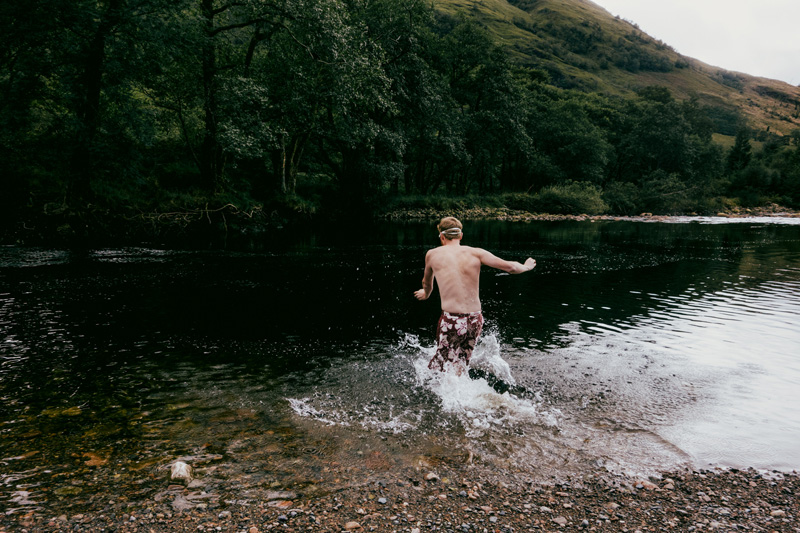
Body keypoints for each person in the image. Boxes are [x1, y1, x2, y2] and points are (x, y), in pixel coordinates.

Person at [414, 217, 536, 373]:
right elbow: (511, 267)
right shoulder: (477, 253)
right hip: (475, 319)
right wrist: (526, 267)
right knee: (462, 362)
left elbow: (427, 282)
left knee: (438, 366)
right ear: (461, 236)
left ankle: (441, 394)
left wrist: (425, 293)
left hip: (452, 319)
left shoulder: (432, 254)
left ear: (442, 236)